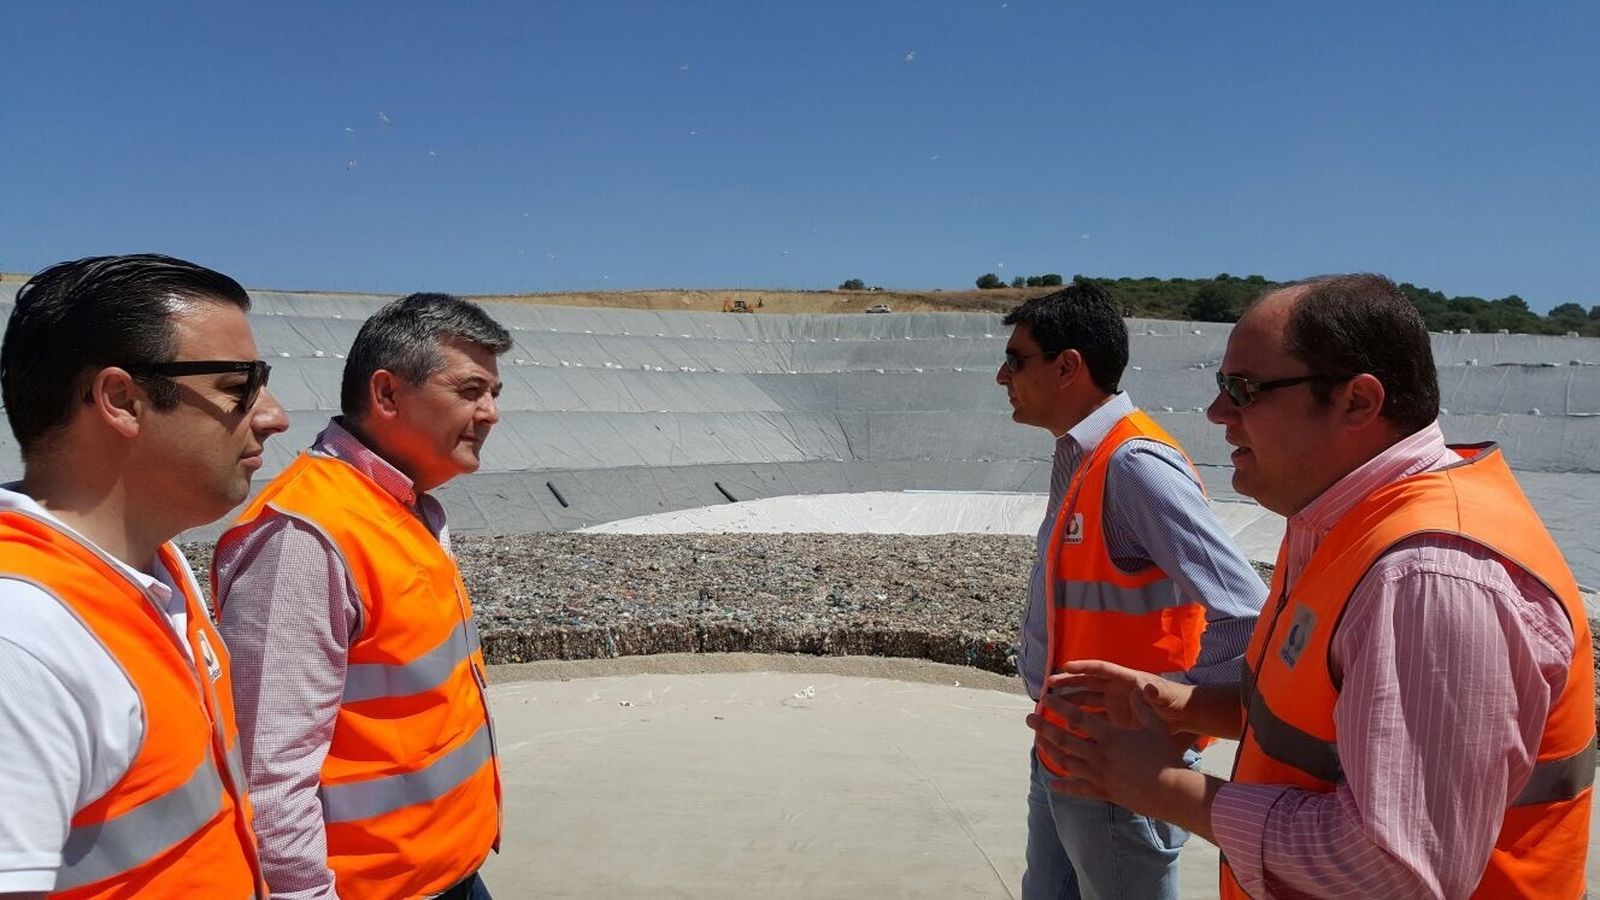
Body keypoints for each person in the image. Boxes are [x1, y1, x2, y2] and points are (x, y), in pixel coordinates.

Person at [1032, 274, 1594, 898]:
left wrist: (1165, 789)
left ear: (1357, 401)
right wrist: (1180, 702)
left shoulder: (1429, 577)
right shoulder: (1340, 523)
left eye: (1243, 389)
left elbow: (1395, 871)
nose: (1218, 412)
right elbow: (1312, 716)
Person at [0, 254, 287, 896]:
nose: (273, 415)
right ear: (122, 400)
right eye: (241, 386)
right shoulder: (20, 642)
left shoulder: (156, 569)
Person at [215, 292, 510, 900]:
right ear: (387, 395)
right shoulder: (304, 535)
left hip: (446, 871)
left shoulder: (407, 508)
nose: (490, 413)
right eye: (470, 390)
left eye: (494, 394)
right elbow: (270, 776)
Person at [996, 280, 1266, 899]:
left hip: (1117, 771)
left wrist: (1168, 723)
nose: (1002, 376)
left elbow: (1246, 613)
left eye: (1016, 360)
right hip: (1065, 749)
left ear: (1068, 367)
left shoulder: (1133, 465)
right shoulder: (1083, 458)